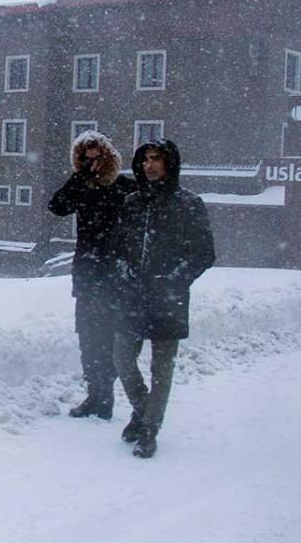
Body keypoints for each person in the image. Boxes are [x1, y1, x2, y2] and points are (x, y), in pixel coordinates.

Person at [111, 139, 215, 458]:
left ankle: (149, 429)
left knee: (162, 371)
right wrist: (124, 271)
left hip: (168, 301)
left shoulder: (189, 204)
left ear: (170, 164)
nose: (149, 165)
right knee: (121, 358)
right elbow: (117, 248)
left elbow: (203, 253)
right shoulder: (131, 203)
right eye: (144, 160)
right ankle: (143, 410)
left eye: (156, 159)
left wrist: (173, 281)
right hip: (133, 298)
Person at [48, 131, 137, 420]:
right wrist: (78, 178)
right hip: (87, 273)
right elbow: (57, 206)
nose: (91, 163)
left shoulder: (125, 188)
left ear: (108, 157)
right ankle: (95, 394)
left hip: (114, 275)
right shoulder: (81, 188)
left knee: (109, 338)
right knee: (87, 337)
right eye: (84, 158)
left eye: (96, 158)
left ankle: (106, 395)